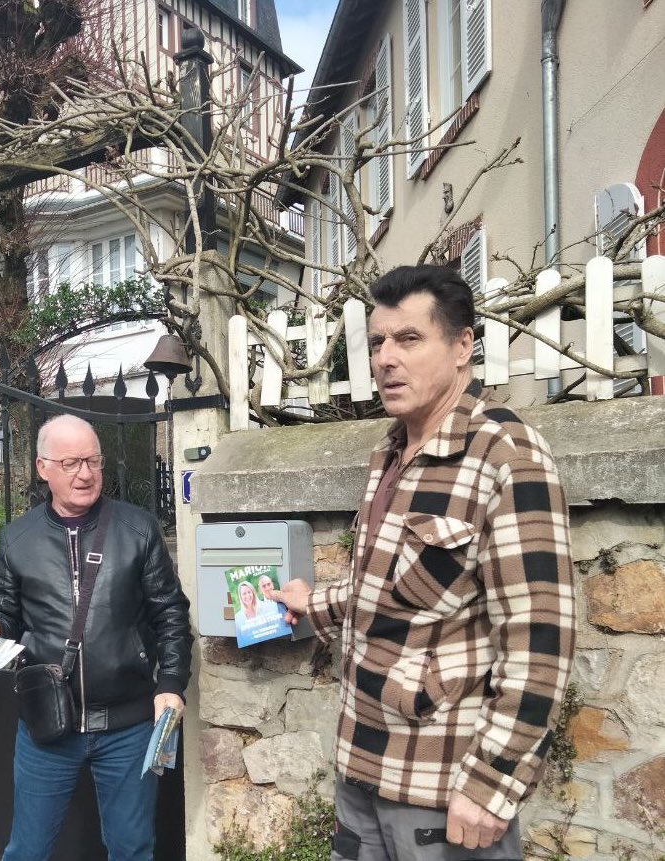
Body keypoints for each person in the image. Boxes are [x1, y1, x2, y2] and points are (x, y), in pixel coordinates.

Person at [271, 265, 575, 860]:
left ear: (463, 346)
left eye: (408, 339)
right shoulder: (388, 453)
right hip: (360, 764)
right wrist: (314, 604)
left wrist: (493, 785)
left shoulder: (505, 454)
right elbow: (389, 590)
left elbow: (542, 638)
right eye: (378, 341)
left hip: (441, 788)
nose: (386, 358)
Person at [0, 413, 192, 861]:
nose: (86, 474)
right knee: (26, 850)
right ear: (43, 468)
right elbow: (6, 613)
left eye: (93, 461)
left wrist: (170, 685)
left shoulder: (137, 528)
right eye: (71, 463)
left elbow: (171, 614)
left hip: (128, 725)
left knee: (132, 849)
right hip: (47, 726)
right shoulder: (18, 538)